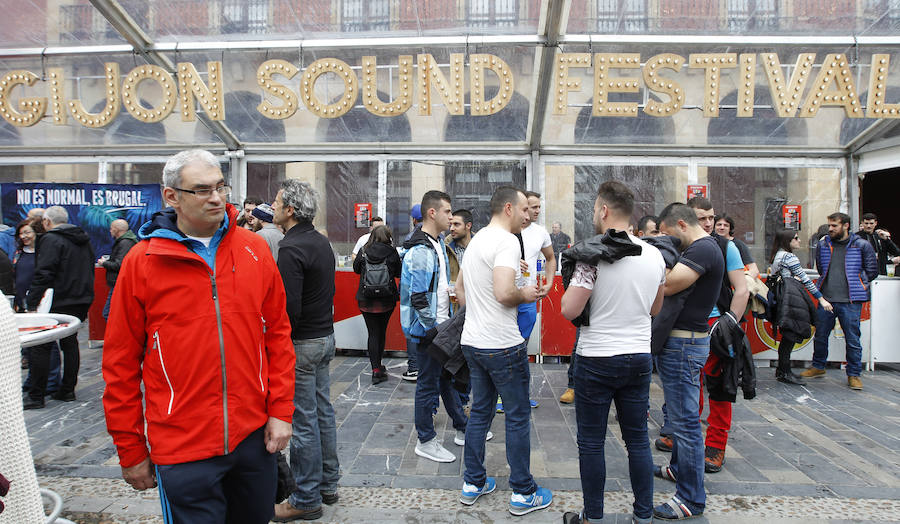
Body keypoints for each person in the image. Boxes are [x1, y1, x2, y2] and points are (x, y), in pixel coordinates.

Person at [102, 149, 295, 523]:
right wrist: (130, 448)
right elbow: (119, 364)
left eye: (221, 187)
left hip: (253, 440)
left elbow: (278, 338)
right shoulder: (142, 262)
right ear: (171, 196)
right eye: (202, 190)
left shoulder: (253, 250)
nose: (217, 198)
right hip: (182, 446)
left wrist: (281, 412)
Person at [559, 181, 665, 524]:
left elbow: (569, 311)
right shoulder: (654, 254)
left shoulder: (594, 255)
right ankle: (643, 515)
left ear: (604, 211)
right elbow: (654, 308)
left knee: (591, 442)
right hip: (638, 357)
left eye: (594, 209)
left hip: (597, 357)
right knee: (637, 441)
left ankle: (593, 517)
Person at [455, 186, 552, 516]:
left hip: (474, 342)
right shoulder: (508, 242)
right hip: (502, 345)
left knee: (479, 412)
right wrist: (525, 294)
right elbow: (503, 292)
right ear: (508, 208)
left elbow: (462, 290)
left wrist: (482, 316)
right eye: (525, 209)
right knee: (518, 415)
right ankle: (524, 492)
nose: (529, 215)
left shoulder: (478, 238)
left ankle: (473, 482)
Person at [272, 180, 341, 521]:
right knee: (322, 414)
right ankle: (327, 485)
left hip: (301, 344)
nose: (271, 207)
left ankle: (305, 497)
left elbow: (289, 309)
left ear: (289, 210)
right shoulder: (319, 242)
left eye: (276, 202)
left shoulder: (290, 248)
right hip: (324, 338)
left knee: (302, 422)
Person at [653, 203, 725, 521]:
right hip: (682, 342)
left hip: (685, 344)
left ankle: (691, 498)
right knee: (681, 418)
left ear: (681, 224)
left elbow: (668, 284)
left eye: (669, 236)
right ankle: (678, 469)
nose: (669, 242)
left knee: (684, 423)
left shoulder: (703, 249)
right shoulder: (701, 248)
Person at [400, 190, 469, 463]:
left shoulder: (437, 243)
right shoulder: (420, 249)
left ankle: (463, 427)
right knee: (429, 384)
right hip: (430, 331)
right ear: (433, 213)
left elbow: (435, 286)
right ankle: (426, 440)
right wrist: (432, 330)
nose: (451, 218)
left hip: (440, 326)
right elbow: (418, 297)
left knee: (445, 379)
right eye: (447, 212)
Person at [799, 212, 877, 391]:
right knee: (820, 335)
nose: (830, 229)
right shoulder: (823, 244)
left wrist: (860, 282)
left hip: (851, 300)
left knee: (852, 338)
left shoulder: (862, 245)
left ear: (846, 225)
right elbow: (820, 266)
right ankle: (818, 366)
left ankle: (854, 374)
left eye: (834, 225)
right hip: (827, 298)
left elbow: (871, 270)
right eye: (830, 225)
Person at [25, 205, 94, 405]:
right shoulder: (84, 239)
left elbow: (44, 273)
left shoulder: (50, 239)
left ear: (47, 222)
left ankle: (37, 395)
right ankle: (67, 389)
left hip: (57, 299)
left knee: (41, 345)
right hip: (80, 298)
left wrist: (32, 302)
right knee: (70, 344)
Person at [499, 190, 555, 412]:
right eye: (531, 207)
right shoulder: (503, 232)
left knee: (521, 348)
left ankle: (521, 395)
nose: (536, 211)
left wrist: (549, 283)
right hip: (505, 297)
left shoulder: (540, 233)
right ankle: (501, 396)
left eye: (538, 207)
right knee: (504, 347)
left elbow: (550, 258)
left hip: (528, 298)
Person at [769, 229, 833, 385]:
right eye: (796, 238)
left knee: (787, 336)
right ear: (788, 241)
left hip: (783, 298)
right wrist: (821, 299)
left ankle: (783, 370)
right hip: (791, 300)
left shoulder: (778, 255)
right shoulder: (789, 257)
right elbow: (806, 280)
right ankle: (784, 372)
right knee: (790, 336)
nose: (799, 241)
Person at [353, 224, 401, 384]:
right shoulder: (392, 252)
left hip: (366, 300)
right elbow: (399, 272)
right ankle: (379, 365)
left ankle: (375, 369)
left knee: (372, 333)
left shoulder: (364, 251)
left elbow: (356, 269)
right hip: (386, 300)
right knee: (381, 331)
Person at [99, 219, 137, 320]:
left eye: (111, 228)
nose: (110, 231)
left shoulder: (125, 243)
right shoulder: (127, 242)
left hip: (119, 284)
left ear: (116, 230)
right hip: (120, 283)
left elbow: (119, 265)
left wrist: (104, 263)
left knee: (108, 314)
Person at [714, 214, 760, 279]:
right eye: (719, 224)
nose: (722, 227)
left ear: (730, 228)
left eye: (726, 225)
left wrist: (742, 283)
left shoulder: (739, 245)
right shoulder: (710, 243)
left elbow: (754, 270)